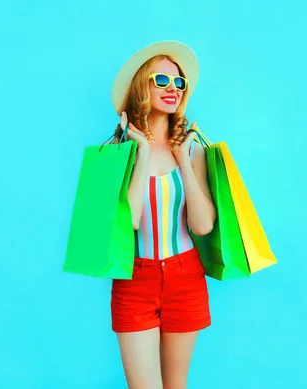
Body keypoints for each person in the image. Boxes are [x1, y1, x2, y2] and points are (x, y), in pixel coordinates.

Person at [109, 41, 217, 389]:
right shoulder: (118, 152)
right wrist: (140, 153)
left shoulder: (193, 149)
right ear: (142, 85)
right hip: (135, 281)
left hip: (186, 277)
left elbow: (201, 226)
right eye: (162, 79)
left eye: (179, 82)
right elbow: (130, 223)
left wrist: (184, 160)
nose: (173, 88)